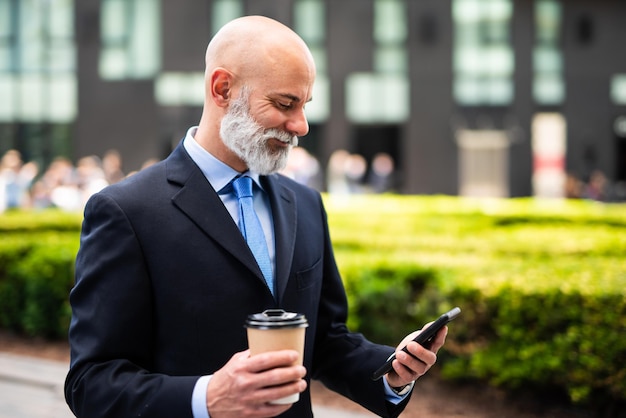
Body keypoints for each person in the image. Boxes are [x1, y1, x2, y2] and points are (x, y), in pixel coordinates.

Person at [64, 16, 447, 418]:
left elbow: (326, 340)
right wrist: (207, 397)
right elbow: (91, 383)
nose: (300, 125)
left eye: (304, 105)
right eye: (285, 103)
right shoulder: (126, 211)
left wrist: (390, 372)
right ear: (222, 89)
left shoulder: (305, 203)